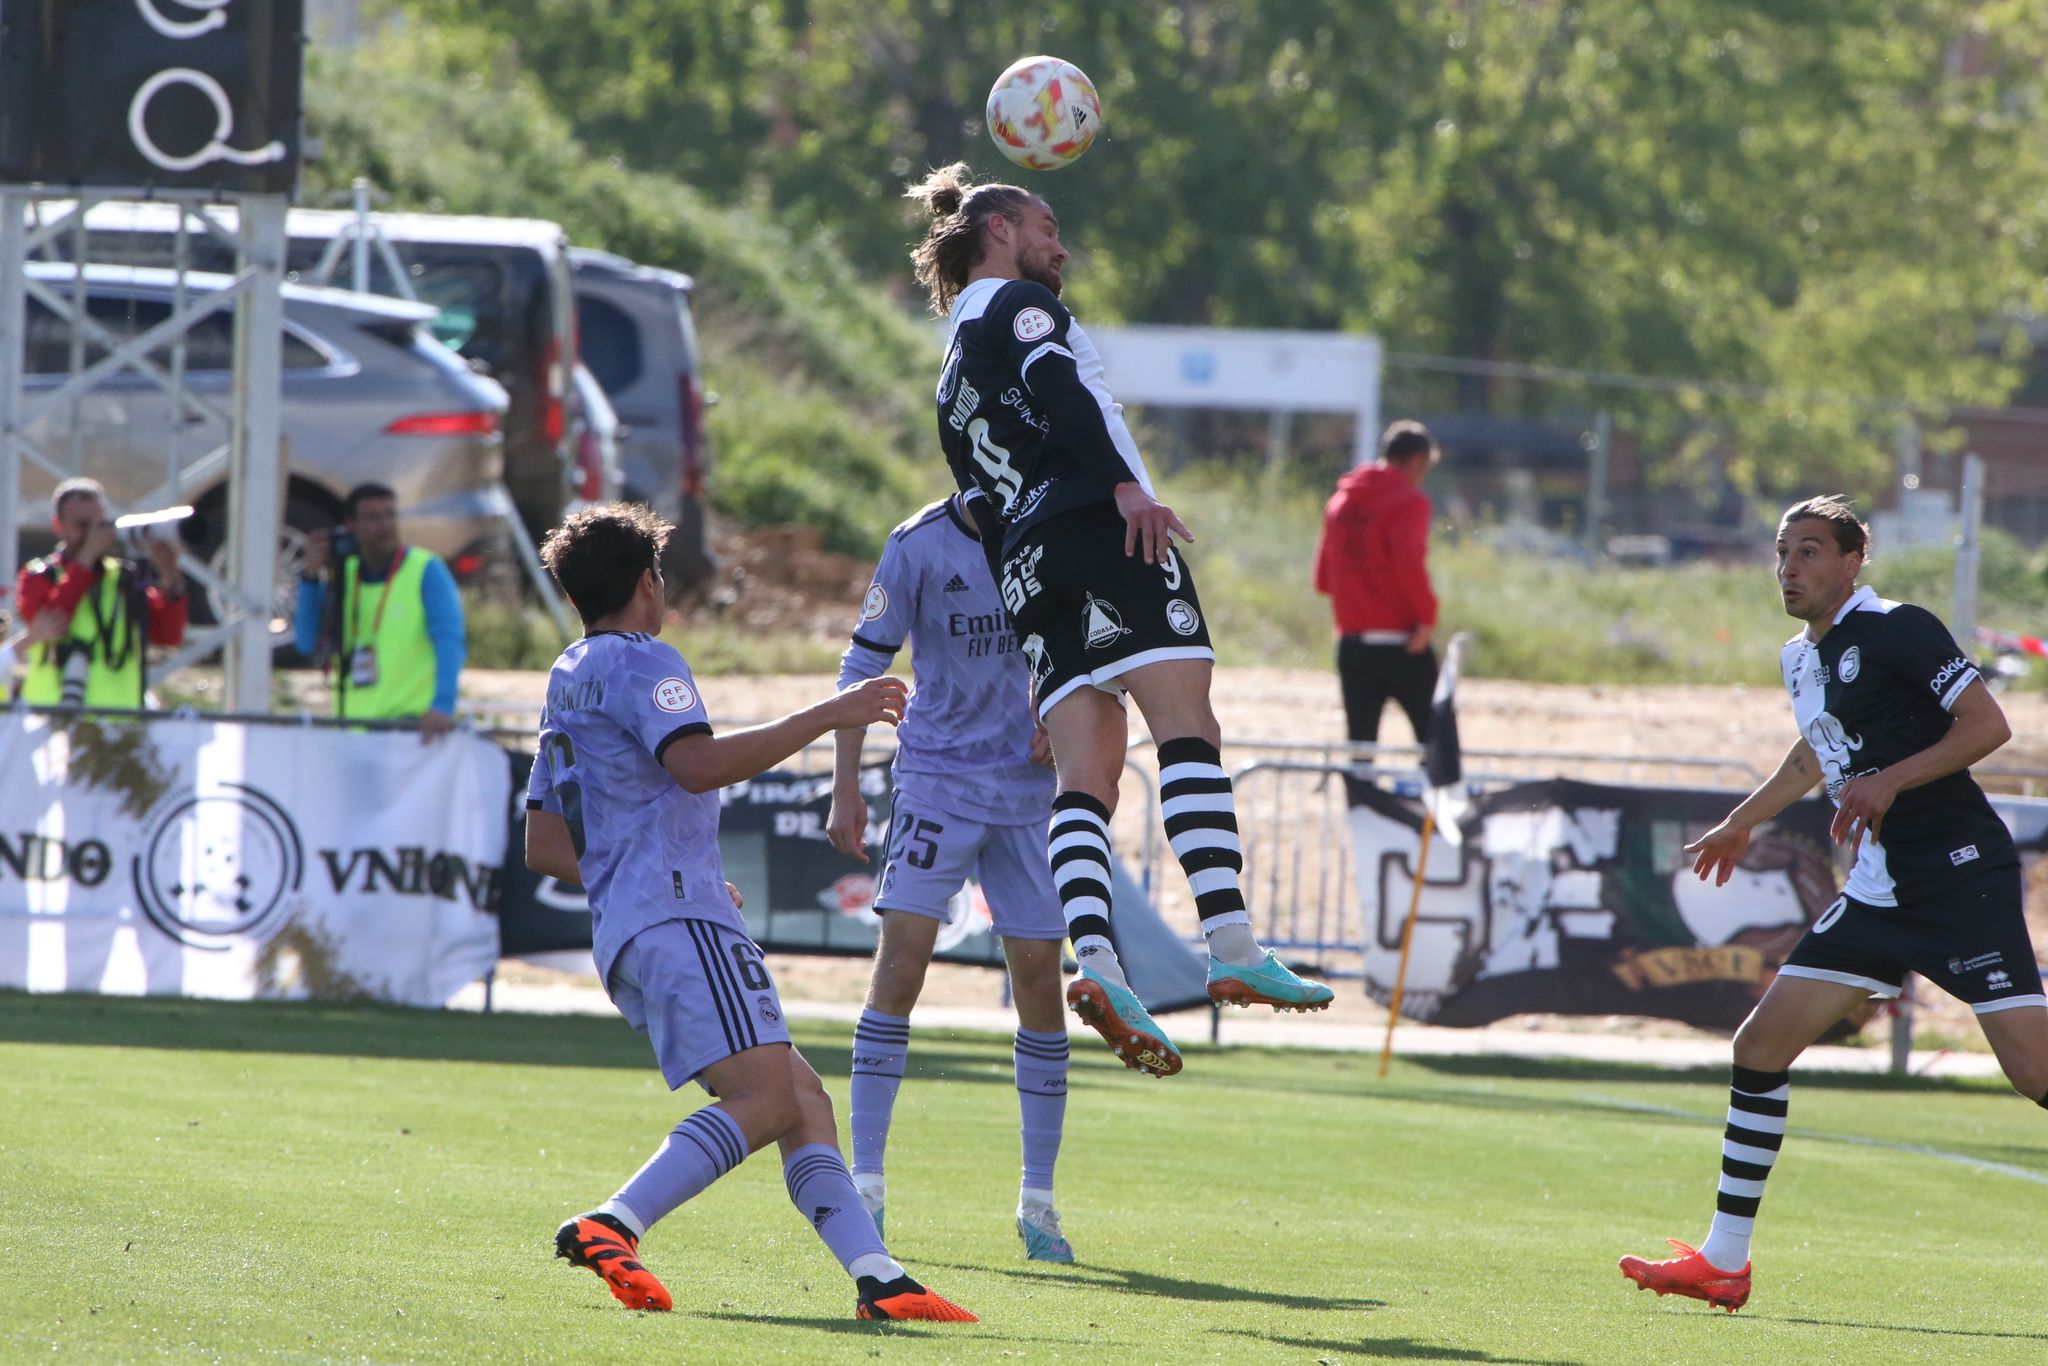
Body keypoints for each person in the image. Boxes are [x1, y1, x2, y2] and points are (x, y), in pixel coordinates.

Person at [904, 162, 1333, 1079]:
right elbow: (1060, 389)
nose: (1061, 246)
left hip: (1025, 564)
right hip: (1098, 525)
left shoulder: (947, 371)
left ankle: (1098, 964)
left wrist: (1030, 650)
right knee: (1188, 726)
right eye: (1047, 225)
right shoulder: (1018, 305)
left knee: (1086, 779)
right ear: (999, 232)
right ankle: (1231, 944)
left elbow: (979, 506)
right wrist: (1126, 487)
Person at [524, 502, 975, 1324]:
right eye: (660, 575)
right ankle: (613, 1222)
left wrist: (656, 874)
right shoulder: (642, 661)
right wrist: (830, 713)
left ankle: (880, 1277)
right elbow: (696, 764)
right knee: (768, 1101)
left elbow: (544, 841)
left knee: (803, 1098)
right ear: (645, 583)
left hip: (635, 924)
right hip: (676, 917)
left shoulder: (566, 674)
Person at [1618, 495, 2045, 1313]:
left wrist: (1891, 778)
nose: (1790, 568)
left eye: (1810, 552)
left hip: (1959, 874)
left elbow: (1988, 725)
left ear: (1854, 561)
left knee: (2034, 1074)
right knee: (1761, 1045)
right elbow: (1817, 754)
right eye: (1782, 553)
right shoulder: (1800, 658)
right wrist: (1741, 824)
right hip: (1880, 889)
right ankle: (1724, 1259)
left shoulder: (1898, 628)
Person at [825, 492, 1075, 1263]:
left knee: (1039, 976)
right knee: (902, 966)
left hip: (1028, 792)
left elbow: (1089, 649)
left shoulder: (1051, 530)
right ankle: (865, 1183)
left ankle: (1039, 1203)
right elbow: (863, 663)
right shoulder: (916, 544)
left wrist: (1060, 716)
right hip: (938, 780)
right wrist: (845, 784)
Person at [296, 483, 465, 740]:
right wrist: (310, 578)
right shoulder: (343, 575)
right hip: (351, 726)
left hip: (410, 724)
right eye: (374, 518)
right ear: (351, 525)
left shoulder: (425, 569)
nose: (385, 525)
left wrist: (442, 705)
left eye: (390, 515)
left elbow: (450, 641)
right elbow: (307, 643)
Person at [1313, 421, 1441, 760]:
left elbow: (1323, 580)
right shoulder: (1409, 502)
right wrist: (1426, 617)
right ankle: (1433, 812)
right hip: (1404, 643)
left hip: (1353, 644)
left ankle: (1364, 809)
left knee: (1361, 747)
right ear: (1416, 460)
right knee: (1436, 741)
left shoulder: (1340, 502)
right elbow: (1408, 563)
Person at [15, 478, 187, 708]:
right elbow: (54, 622)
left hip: (117, 722)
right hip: (51, 721)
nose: (93, 534)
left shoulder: (122, 577)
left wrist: (170, 576)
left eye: (100, 525)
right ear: (58, 526)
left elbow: (168, 636)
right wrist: (86, 559)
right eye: (83, 525)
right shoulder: (39, 576)